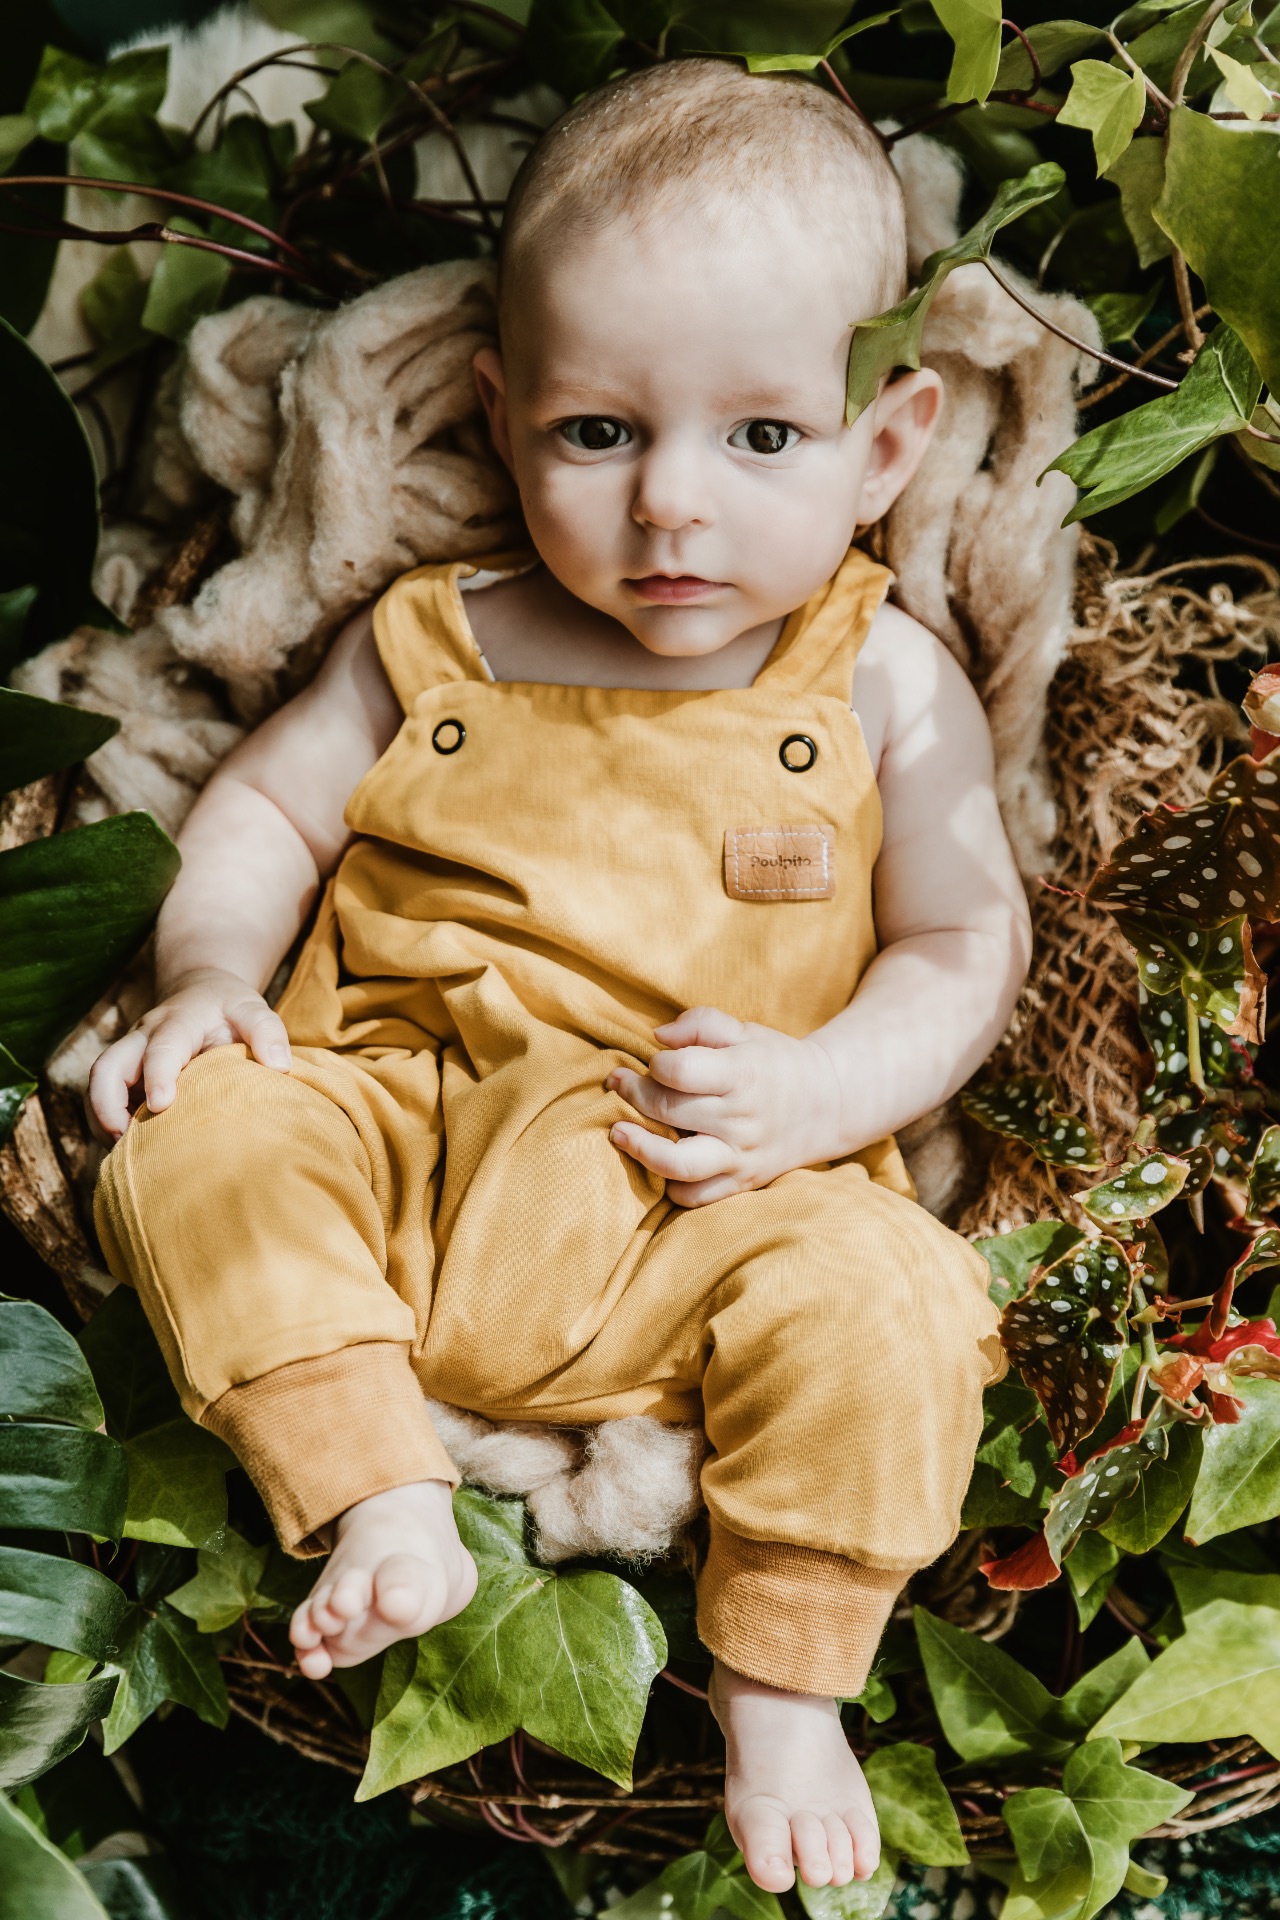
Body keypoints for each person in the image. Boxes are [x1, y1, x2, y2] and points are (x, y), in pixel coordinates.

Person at [89, 57, 1025, 1896]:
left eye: (763, 437)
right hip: (401, 1135)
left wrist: (827, 1093)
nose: (673, 504)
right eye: (601, 433)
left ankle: (785, 1675)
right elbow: (265, 814)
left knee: (893, 1309)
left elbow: (964, 941)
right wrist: (208, 971)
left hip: (723, 1196)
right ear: (507, 419)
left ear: (890, 444)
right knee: (185, 1141)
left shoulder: (878, 678)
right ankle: (379, 1478)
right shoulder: (429, 639)